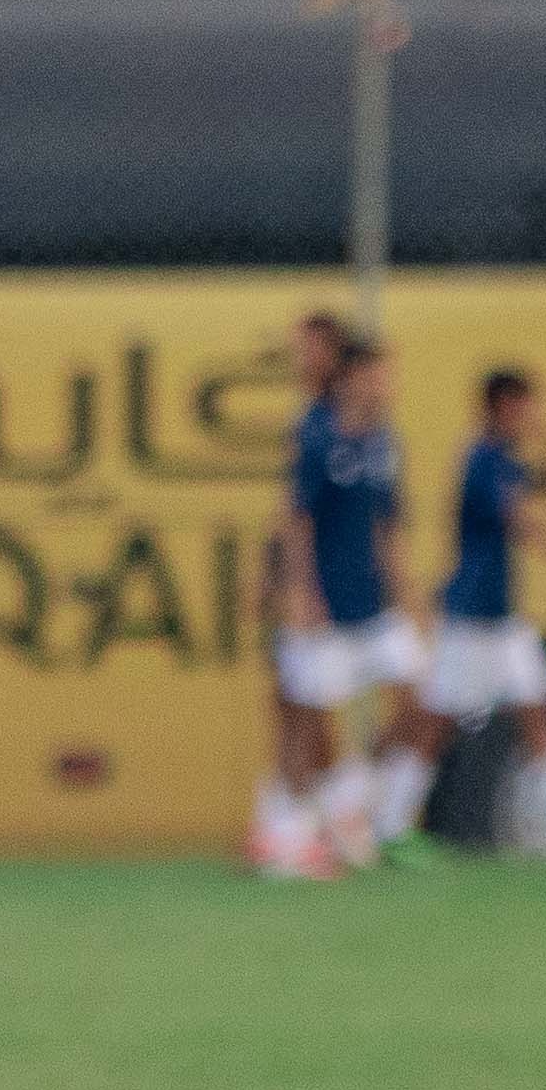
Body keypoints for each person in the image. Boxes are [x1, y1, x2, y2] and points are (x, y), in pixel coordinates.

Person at [264, 331, 425, 874]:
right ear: (353, 378)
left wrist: (410, 595)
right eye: (381, 374)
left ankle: (347, 801)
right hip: (328, 604)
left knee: (421, 701)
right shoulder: (314, 434)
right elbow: (295, 519)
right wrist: (301, 591)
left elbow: (389, 525)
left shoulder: (383, 439)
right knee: (308, 720)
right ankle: (291, 840)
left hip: (376, 605)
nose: (389, 385)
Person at [397, 365, 546, 852]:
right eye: (527, 405)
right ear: (505, 406)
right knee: (434, 724)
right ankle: (389, 822)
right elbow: (521, 521)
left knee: (537, 712)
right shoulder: (484, 458)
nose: (534, 416)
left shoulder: (501, 458)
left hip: (499, 616)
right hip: (472, 616)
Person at [247, 306, 347, 871]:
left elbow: (302, 516)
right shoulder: (313, 422)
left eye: (311, 348)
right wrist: (277, 579)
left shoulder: (337, 426)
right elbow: (290, 512)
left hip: (328, 595)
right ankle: (283, 830)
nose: (302, 360)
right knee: (293, 705)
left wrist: (297, 585)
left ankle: (301, 828)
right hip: (308, 591)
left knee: (307, 709)